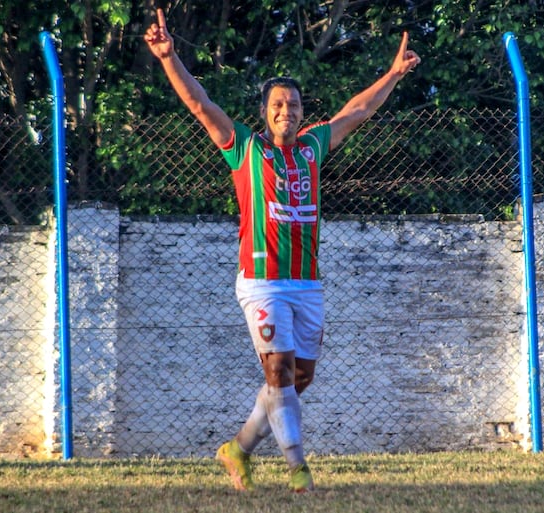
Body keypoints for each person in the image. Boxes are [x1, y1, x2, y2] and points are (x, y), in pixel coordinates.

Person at [144, 8, 420, 493]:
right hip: (261, 282)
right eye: (277, 105)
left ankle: (238, 449)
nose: (285, 112)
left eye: (292, 105)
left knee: (296, 380)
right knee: (278, 370)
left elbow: (357, 111)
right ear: (265, 112)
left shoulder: (313, 146)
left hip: (306, 283)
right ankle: (299, 469)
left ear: (301, 112)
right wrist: (170, 60)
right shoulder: (246, 148)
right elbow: (200, 104)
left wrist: (393, 74)